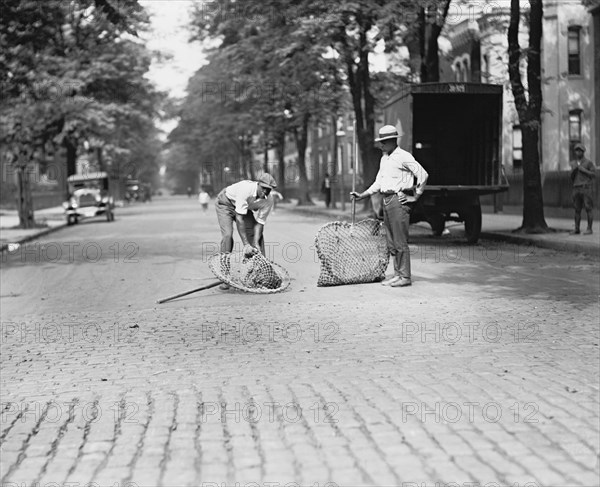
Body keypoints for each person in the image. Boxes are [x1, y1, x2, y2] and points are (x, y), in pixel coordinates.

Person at [351, 125, 428, 288]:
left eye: (384, 142)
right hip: (385, 200)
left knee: (400, 241)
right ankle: (398, 274)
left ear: (392, 141)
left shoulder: (403, 156)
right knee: (391, 242)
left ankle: (405, 276)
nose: (381, 146)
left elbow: (422, 174)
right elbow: (379, 182)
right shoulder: (384, 158)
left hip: (398, 200)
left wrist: (415, 196)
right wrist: (363, 195)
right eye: (381, 142)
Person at [215, 173, 278, 289]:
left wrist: (255, 244)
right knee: (228, 235)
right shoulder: (246, 189)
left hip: (244, 207)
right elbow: (239, 219)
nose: (265, 192)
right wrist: (246, 245)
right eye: (263, 188)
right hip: (226, 203)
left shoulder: (268, 200)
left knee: (257, 237)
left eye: (268, 190)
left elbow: (260, 223)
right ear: (258, 184)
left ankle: (262, 274)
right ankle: (224, 275)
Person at [569, 143, 596, 235]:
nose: (578, 152)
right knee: (577, 209)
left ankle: (589, 228)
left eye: (580, 150)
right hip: (576, 188)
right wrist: (574, 170)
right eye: (576, 150)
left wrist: (584, 170)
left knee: (588, 208)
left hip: (586, 188)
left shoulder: (588, 162)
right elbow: (571, 177)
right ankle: (577, 228)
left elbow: (594, 175)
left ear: (583, 152)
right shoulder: (573, 163)